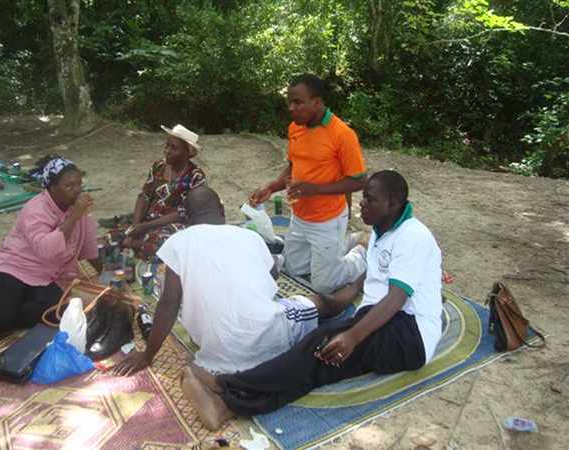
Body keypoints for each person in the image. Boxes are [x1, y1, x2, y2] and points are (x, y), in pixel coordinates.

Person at [181, 171, 444, 430]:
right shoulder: (381, 230)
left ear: (394, 203)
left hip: (409, 334)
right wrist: (348, 297)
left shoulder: (413, 236)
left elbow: (396, 298)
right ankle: (225, 406)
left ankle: (224, 386)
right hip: (383, 318)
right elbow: (374, 278)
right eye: (364, 196)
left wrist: (353, 336)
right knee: (319, 360)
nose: (362, 203)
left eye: (370, 199)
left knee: (319, 349)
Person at [112, 186, 360, 376]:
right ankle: (356, 286)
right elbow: (273, 275)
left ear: (186, 219)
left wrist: (147, 355)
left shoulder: (177, 242)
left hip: (216, 349)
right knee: (318, 301)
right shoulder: (248, 236)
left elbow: (168, 305)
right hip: (267, 337)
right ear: (221, 212)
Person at [249, 74, 367, 294]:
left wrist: (315, 190)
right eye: (289, 102)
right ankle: (341, 245)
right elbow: (293, 165)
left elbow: (359, 180)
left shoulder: (342, 134)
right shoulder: (296, 128)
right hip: (300, 216)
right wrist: (271, 187)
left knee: (324, 285)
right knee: (294, 269)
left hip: (328, 218)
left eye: (298, 102)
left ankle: (360, 250)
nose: (291, 108)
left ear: (317, 102)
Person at [0, 156, 99, 339]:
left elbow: (87, 242)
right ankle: (4, 314)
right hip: (13, 268)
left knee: (59, 313)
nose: (77, 190)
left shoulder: (75, 209)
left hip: (46, 276)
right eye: (69, 186)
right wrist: (74, 217)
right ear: (52, 187)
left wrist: (102, 273)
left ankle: (11, 311)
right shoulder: (35, 209)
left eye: (79, 184)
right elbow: (47, 250)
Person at [110, 124, 206, 259]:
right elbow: (144, 196)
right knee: (112, 237)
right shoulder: (159, 166)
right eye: (167, 146)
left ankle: (134, 246)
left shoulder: (196, 176)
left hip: (173, 224)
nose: (167, 151)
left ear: (188, 152)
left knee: (163, 244)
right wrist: (136, 224)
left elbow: (183, 213)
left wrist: (144, 227)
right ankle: (134, 245)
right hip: (148, 219)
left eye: (174, 148)